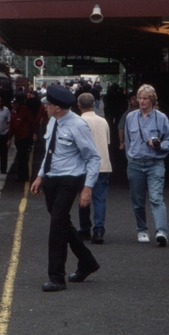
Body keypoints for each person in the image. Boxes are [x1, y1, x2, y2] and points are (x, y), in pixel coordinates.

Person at [30, 85, 101, 292]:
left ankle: (56, 277)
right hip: (52, 179)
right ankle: (87, 262)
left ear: (57, 108)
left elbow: (94, 157)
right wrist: (40, 176)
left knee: (56, 228)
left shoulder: (78, 125)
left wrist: (87, 188)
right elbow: (50, 152)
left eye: (48, 105)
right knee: (62, 223)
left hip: (70, 180)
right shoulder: (53, 121)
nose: (44, 107)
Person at [122, 84, 169, 247]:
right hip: (135, 163)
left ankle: (161, 231)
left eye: (145, 98)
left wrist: (159, 145)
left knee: (156, 198)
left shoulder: (161, 117)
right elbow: (127, 140)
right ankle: (142, 229)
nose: (141, 101)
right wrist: (130, 158)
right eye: (139, 98)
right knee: (137, 200)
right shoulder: (130, 117)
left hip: (155, 163)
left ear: (152, 100)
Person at [76, 92, 112, 244]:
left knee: (83, 198)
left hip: (84, 167)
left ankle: (85, 229)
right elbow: (107, 142)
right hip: (103, 165)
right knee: (99, 199)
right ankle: (99, 230)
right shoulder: (103, 121)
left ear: (79, 105)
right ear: (94, 104)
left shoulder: (77, 122)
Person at [7, 95, 35, 182]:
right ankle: (21, 176)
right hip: (18, 138)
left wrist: (34, 133)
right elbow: (11, 126)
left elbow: (32, 122)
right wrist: (9, 138)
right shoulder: (12, 112)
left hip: (25, 137)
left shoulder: (25, 110)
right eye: (13, 103)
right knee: (20, 156)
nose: (14, 105)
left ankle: (24, 176)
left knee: (22, 156)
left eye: (15, 103)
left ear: (19, 103)